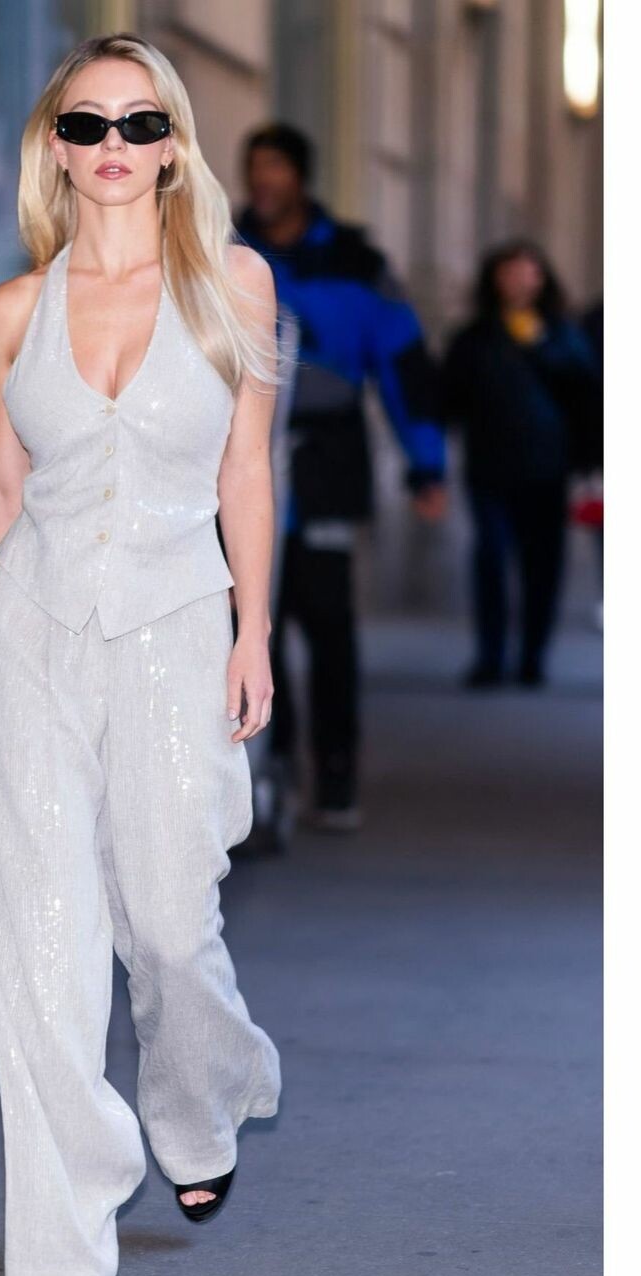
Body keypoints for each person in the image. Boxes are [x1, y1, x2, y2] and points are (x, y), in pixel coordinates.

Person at [0, 33, 285, 1276]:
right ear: (54, 145)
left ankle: (204, 1100)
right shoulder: (13, 312)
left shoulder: (232, 285)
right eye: (87, 124)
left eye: (141, 124)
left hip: (174, 626)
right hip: (34, 632)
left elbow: (245, 472)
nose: (113, 146)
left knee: (166, 923)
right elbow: (2, 493)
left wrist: (253, 632)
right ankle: (63, 1230)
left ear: (173, 148)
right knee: (36, 937)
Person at [233, 124, 448, 842]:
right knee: (250, 622)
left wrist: (426, 463)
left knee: (325, 623)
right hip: (240, 461)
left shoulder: (356, 263)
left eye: (275, 167)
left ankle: (335, 772)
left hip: (324, 463)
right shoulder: (223, 249)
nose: (263, 181)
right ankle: (268, 769)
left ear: (301, 176)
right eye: (254, 168)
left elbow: (405, 367)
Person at [442, 240, 600, 687]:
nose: (518, 282)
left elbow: (587, 393)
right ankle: (491, 656)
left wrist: (589, 460)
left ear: (542, 279)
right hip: (489, 464)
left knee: (542, 564)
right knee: (491, 558)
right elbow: (450, 395)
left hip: (547, 466)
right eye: (509, 273)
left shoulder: (562, 333)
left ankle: (533, 655)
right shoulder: (475, 337)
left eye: (527, 272)